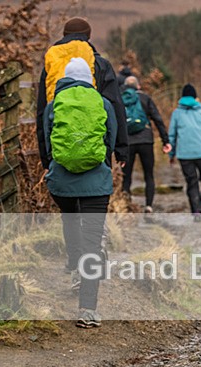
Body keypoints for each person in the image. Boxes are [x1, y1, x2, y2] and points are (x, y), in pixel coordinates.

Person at [42, 57, 117, 328]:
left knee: (70, 217)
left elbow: (47, 144)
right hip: (96, 183)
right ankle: (87, 309)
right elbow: (110, 142)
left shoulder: (53, 105)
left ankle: (74, 264)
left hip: (61, 182)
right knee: (93, 243)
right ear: (89, 79)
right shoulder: (103, 103)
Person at [36, 17, 127, 172]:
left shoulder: (51, 63)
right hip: (96, 147)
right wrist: (121, 149)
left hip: (60, 149)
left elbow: (42, 111)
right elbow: (115, 105)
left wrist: (45, 157)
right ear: (88, 36)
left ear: (64, 35)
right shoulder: (100, 63)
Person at [168, 84, 201, 222]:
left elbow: (172, 136)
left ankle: (196, 211)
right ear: (195, 96)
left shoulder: (176, 113)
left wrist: (171, 154)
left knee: (192, 183)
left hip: (184, 155)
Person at [121, 76, 172, 214]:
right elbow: (157, 119)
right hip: (146, 140)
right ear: (138, 86)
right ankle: (149, 205)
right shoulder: (145, 98)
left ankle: (126, 204)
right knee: (148, 175)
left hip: (128, 142)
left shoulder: (120, 99)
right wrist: (165, 140)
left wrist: (118, 145)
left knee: (126, 176)